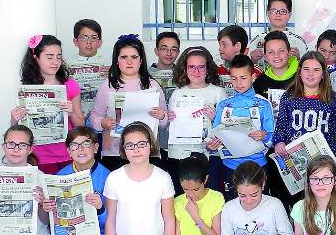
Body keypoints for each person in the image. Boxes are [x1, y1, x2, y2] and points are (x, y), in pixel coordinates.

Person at [272, 51, 336, 207]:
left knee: (320, 205)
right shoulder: (289, 97)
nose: (310, 74)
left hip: (323, 165)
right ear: (299, 72)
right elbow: (281, 125)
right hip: (295, 163)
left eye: (316, 70)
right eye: (306, 69)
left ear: (323, 74)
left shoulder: (332, 99)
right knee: (297, 206)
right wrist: (278, 142)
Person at [89, 34, 169, 172]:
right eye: (124, 57)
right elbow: (94, 117)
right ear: (117, 61)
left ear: (141, 60)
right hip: (115, 152)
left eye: (134, 57)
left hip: (147, 152)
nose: (129, 62)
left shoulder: (152, 85)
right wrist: (103, 122)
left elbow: (164, 124)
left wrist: (162, 116)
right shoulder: (107, 86)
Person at [12, 35, 85, 173]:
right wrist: (14, 120)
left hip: (68, 154)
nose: (55, 62)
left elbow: (81, 125)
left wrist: (71, 113)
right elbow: (19, 130)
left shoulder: (70, 85)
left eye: (59, 57)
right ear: (36, 58)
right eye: (49, 57)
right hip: (37, 157)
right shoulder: (27, 88)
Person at [207, 55, 274, 200]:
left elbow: (272, 136)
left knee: (259, 205)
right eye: (234, 78)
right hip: (230, 166)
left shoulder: (263, 104)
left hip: (257, 164)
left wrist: (264, 135)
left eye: (243, 78)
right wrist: (212, 145)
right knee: (232, 204)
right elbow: (215, 135)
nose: (238, 83)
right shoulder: (224, 105)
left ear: (253, 77)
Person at [166, 46, 226, 192]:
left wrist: (215, 119)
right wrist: (169, 119)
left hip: (208, 154)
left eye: (201, 67)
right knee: (182, 196)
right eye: (191, 67)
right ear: (185, 69)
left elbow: (226, 126)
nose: (196, 71)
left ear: (208, 69)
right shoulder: (177, 93)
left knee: (208, 196)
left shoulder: (218, 92)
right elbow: (169, 128)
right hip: (180, 153)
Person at [249, 0, 308, 70]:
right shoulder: (256, 41)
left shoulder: (299, 42)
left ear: (289, 15)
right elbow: (245, 71)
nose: (278, 14)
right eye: (274, 10)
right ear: (267, 13)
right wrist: (252, 60)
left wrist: (298, 59)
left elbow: (307, 70)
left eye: (282, 11)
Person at [252, 31, 299, 99]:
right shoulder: (259, 83)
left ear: (289, 53)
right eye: (271, 52)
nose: (276, 55)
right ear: (265, 56)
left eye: (281, 51)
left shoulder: (302, 78)